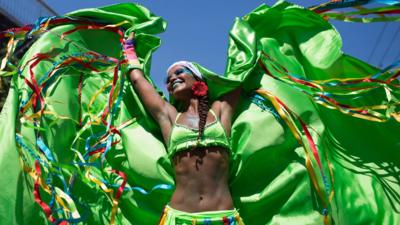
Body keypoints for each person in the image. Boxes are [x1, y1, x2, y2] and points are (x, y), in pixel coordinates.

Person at [124, 33, 243, 224]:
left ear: (198, 79)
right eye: (168, 78)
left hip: (224, 218)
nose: (172, 79)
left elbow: (241, 76)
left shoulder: (220, 110)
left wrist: (253, 34)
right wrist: (129, 50)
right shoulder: (170, 117)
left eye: (179, 73)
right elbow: (138, 81)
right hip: (179, 218)